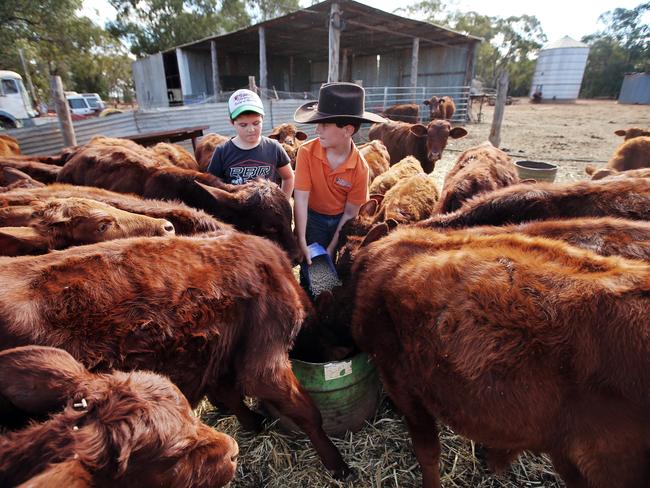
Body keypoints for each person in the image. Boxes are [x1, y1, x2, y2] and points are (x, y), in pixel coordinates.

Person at [293, 82, 387, 273]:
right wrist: (301, 238)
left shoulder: (360, 168)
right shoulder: (306, 153)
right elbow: (301, 198)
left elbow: (351, 214)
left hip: (341, 222)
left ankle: (330, 291)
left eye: (324, 124)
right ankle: (313, 295)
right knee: (314, 268)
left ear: (348, 130)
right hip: (314, 218)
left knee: (338, 265)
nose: (317, 130)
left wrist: (333, 246)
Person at [207, 89, 294, 197]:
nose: (251, 129)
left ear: (263, 118)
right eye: (243, 125)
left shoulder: (274, 147)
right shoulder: (222, 151)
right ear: (232, 122)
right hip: (235, 211)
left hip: (266, 211)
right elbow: (211, 186)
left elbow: (288, 177)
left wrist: (283, 203)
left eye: (256, 123)